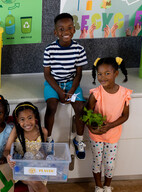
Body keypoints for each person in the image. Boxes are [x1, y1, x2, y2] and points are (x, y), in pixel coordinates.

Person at [3, 102, 74, 192]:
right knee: (35, 182)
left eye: (30, 117)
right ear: (17, 121)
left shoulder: (43, 131)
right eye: (22, 119)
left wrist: (51, 161)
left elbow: (44, 151)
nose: (27, 122)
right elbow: (6, 150)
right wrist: (9, 158)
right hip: (21, 168)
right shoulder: (16, 132)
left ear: (35, 117)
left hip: (38, 167)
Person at [43, 13, 88, 159]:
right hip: (53, 84)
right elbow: (47, 75)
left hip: (71, 83)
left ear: (74, 30)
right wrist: (60, 92)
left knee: (81, 108)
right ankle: (48, 141)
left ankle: (79, 140)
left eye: (69, 28)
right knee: (51, 107)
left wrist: (71, 90)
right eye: (61, 29)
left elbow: (79, 74)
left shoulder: (79, 50)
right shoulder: (49, 50)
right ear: (56, 32)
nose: (65, 32)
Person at [87, 57, 131, 192]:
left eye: (107, 73)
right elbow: (87, 112)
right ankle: (98, 187)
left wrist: (110, 126)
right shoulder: (96, 93)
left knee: (109, 163)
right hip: (97, 135)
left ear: (116, 74)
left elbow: (125, 115)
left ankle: (107, 186)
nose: (102, 77)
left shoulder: (124, 93)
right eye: (99, 74)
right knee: (97, 161)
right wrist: (92, 126)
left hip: (113, 135)